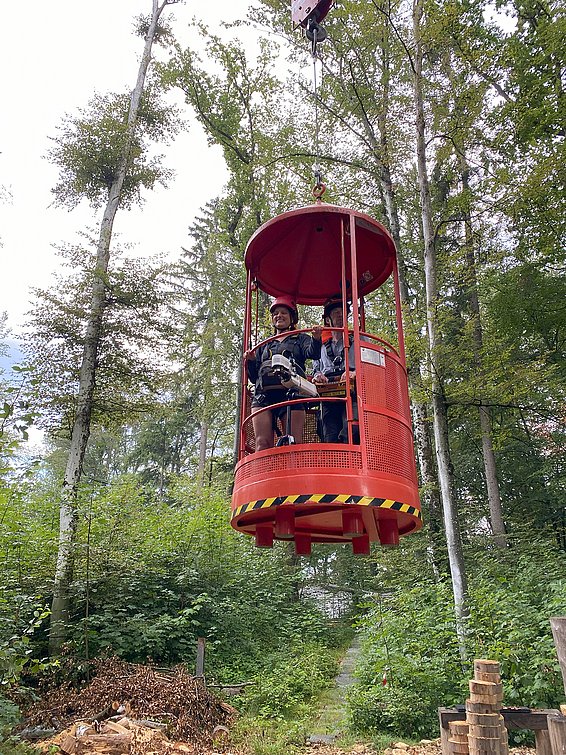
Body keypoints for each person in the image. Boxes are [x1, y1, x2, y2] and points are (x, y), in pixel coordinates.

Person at [247, 296, 322, 451]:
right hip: (264, 395)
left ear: (292, 318)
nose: (279, 316)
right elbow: (254, 378)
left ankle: (294, 472)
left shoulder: (300, 338)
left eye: (283, 313)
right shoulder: (265, 344)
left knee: (293, 442)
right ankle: (264, 474)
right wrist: (251, 361)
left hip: (291, 392)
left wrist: (316, 338)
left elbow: (313, 353)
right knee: (262, 443)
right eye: (276, 313)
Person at [312, 297, 359, 443]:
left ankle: (352, 461)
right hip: (329, 393)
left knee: (352, 429)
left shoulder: (359, 340)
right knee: (329, 433)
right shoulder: (320, 347)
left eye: (343, 312)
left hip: (353, 391)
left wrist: (355, 373)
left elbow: (371, 365)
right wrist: (318, 376)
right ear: (328, 320)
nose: (340, 315)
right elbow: (316, 370)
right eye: (335, 313)